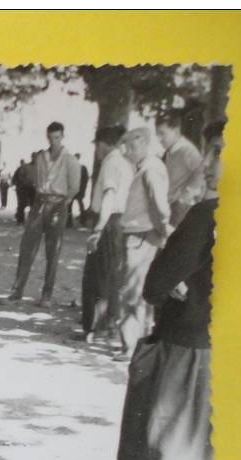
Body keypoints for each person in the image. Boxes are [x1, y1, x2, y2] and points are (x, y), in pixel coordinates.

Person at [67, 122, 226, 460]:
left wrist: (182, 287)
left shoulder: (209, 215)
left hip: (183, 350)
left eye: (217, 151)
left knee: (145, 447)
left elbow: (157, 282)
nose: (210, 159)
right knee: (215, 456)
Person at [115, 127, 174, 360]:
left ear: (143, 145)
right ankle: (136, 342)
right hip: (140, 233)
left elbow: (160, 207)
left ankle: (130, 346)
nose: (127, 151)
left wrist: (161, 231)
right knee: (137, 291)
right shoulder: (147, 168)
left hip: (142, 236)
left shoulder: (150, 170)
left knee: (133, 291)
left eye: (131, 146)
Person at [8, 122, 81, 307]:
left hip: (58, 204)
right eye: (50, 137)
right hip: (39, 203)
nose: (53, 141)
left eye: (57, 137)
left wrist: (63, 203)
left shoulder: (70, 160)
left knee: (53, 251)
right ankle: (16, 292)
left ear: (62, 137)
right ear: (47, 137)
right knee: (27, 248)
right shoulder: (40, 157)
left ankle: (46, 295)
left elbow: (74, 187)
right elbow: (33, 180)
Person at [79, 124, 133, 343]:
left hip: (109, 221)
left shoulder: (110, 163)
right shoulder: (125, 163)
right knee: (112, 276)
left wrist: (99, 229)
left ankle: (96, 329)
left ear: (102, 144)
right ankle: (107, 326)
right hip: (119, 222)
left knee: (98, 277)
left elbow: (109, 195)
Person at [156, 110, 205, 226]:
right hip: (169, 207)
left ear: (176, 131)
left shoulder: (187, 151)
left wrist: (184, 196)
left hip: (180, 210)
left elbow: (202, 172)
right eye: (157, 134)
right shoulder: (170, 151)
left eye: (162, 133)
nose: (159, 138)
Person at [66, 154, 90, 228]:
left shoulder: (82, 168)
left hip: (78, 190)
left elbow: (85, 180)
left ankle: (82, 220)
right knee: (70, 206)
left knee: (79, 205)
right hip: (74, 190)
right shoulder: (74, 168)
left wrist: (83, 190)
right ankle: (69, 222)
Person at [12, 157, 35, 224]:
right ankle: (20, 219)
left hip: (30, 188)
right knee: (22, 204)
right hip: (22, 189)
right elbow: (15, 179)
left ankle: (23, 218)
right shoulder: (23, 168)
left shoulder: (34, 167)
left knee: (29, 204)